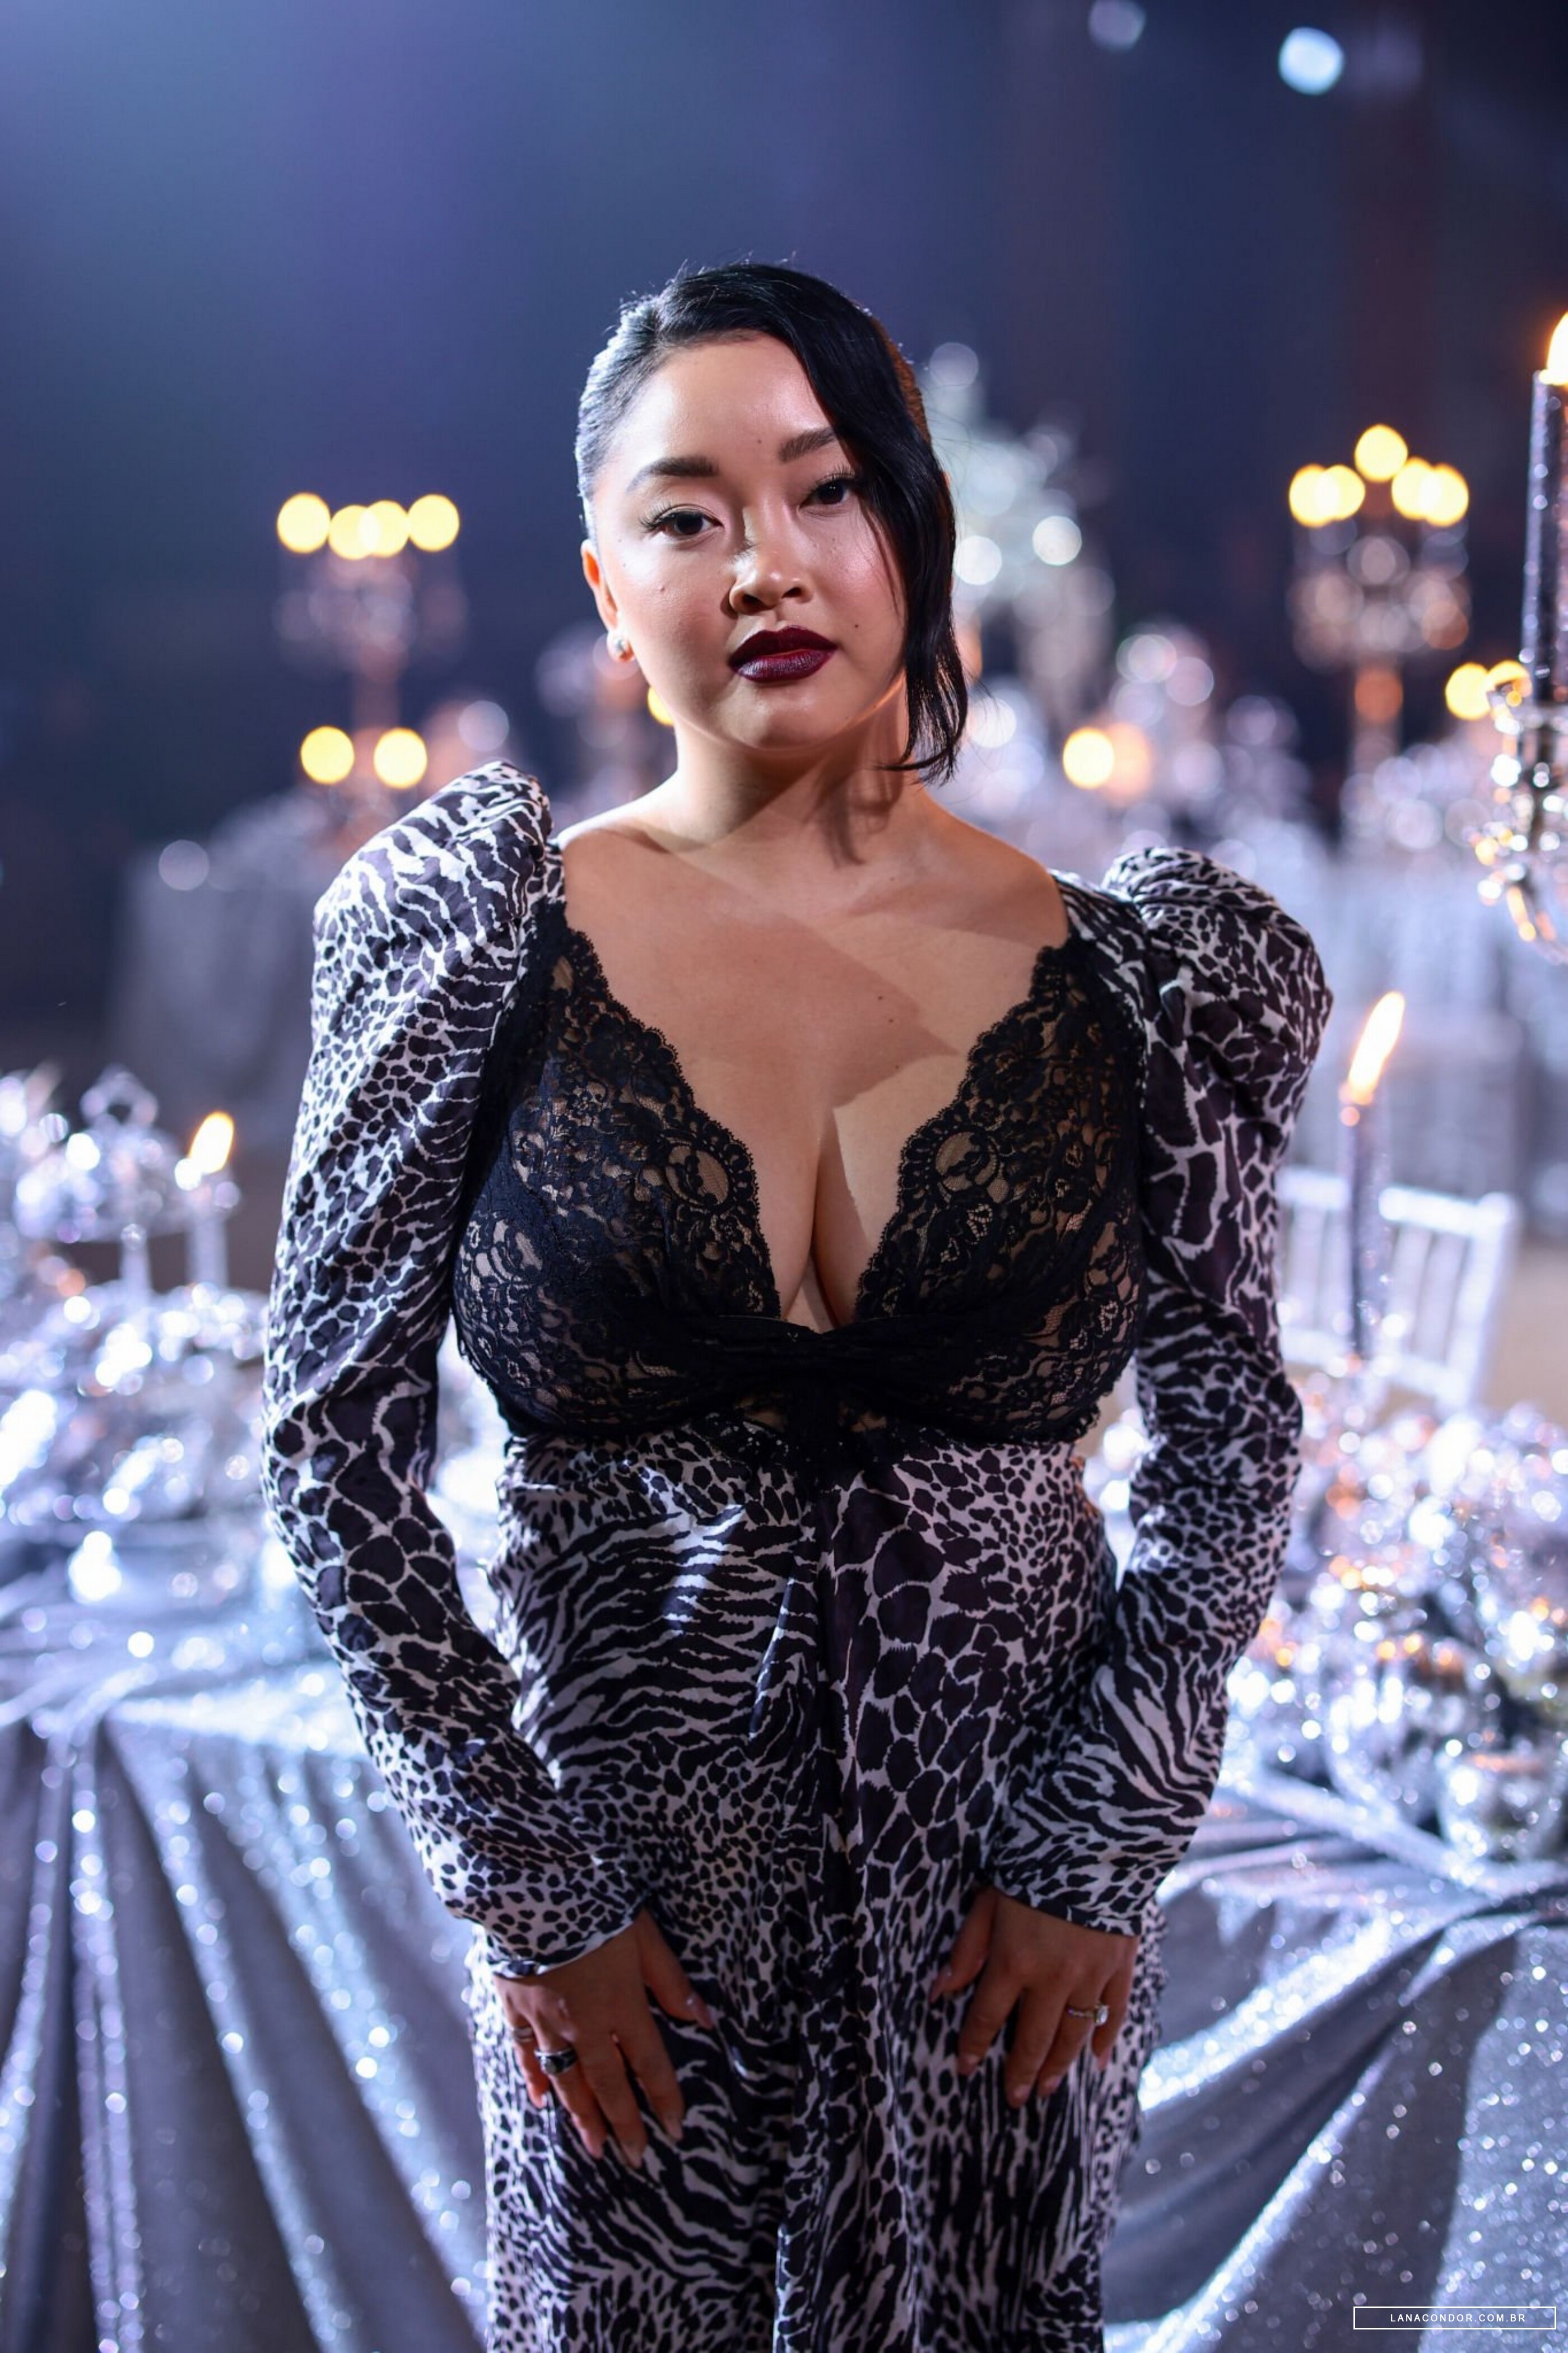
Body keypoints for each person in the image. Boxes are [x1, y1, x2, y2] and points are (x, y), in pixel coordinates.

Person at [259, 260, 1333, 2353]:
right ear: (608, 587)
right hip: (627, 1941)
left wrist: (1102, 1831)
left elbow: (1232, 1445)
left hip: (1004, 1929)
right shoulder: (476, 938)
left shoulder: (1140, 975)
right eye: (688, 515)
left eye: (826, 490)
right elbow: (331, 1453)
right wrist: (527, 1886)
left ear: (914, 528)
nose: (766, 562)